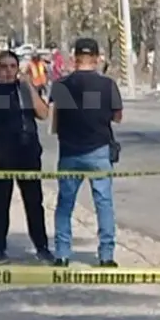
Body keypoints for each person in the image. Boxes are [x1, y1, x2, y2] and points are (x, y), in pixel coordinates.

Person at [0, 50, 54, 264]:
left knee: (34, 203)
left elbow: (44, 114)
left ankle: (42, 248)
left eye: (12, 66)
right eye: (4, 67)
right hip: (2, 156)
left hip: (28, 154)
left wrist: (29, 87)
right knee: (1, 204)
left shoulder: (25, 90)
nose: (8, 71)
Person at [49, 37, 123, 268]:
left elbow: (55, 119)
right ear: (97, 58)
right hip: (99, 151)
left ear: (74, 58)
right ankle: (106, 256)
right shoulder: (107, 85)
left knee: (65, 205)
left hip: (70, 152)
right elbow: (117, 116)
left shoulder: (61, 86)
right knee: (104, 204)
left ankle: (62, 254)